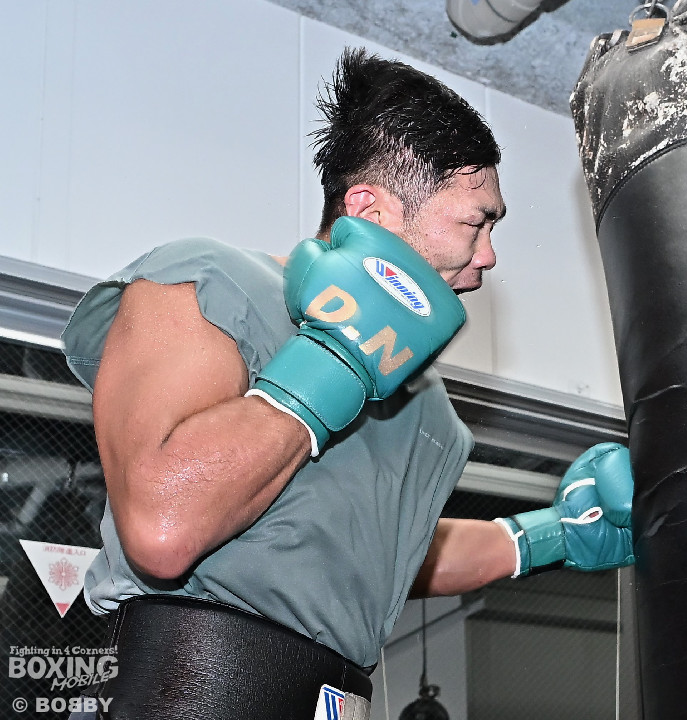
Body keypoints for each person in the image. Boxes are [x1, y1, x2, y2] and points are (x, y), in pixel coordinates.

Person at [60, 48, 635, 720]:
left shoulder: (424, 404)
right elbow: (163, 527)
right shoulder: (210, 280)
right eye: (475, 222)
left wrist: (553, 534)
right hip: (186, 690)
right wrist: (337, 357)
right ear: (369, 208)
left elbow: (376, 560)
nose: (488, 257)